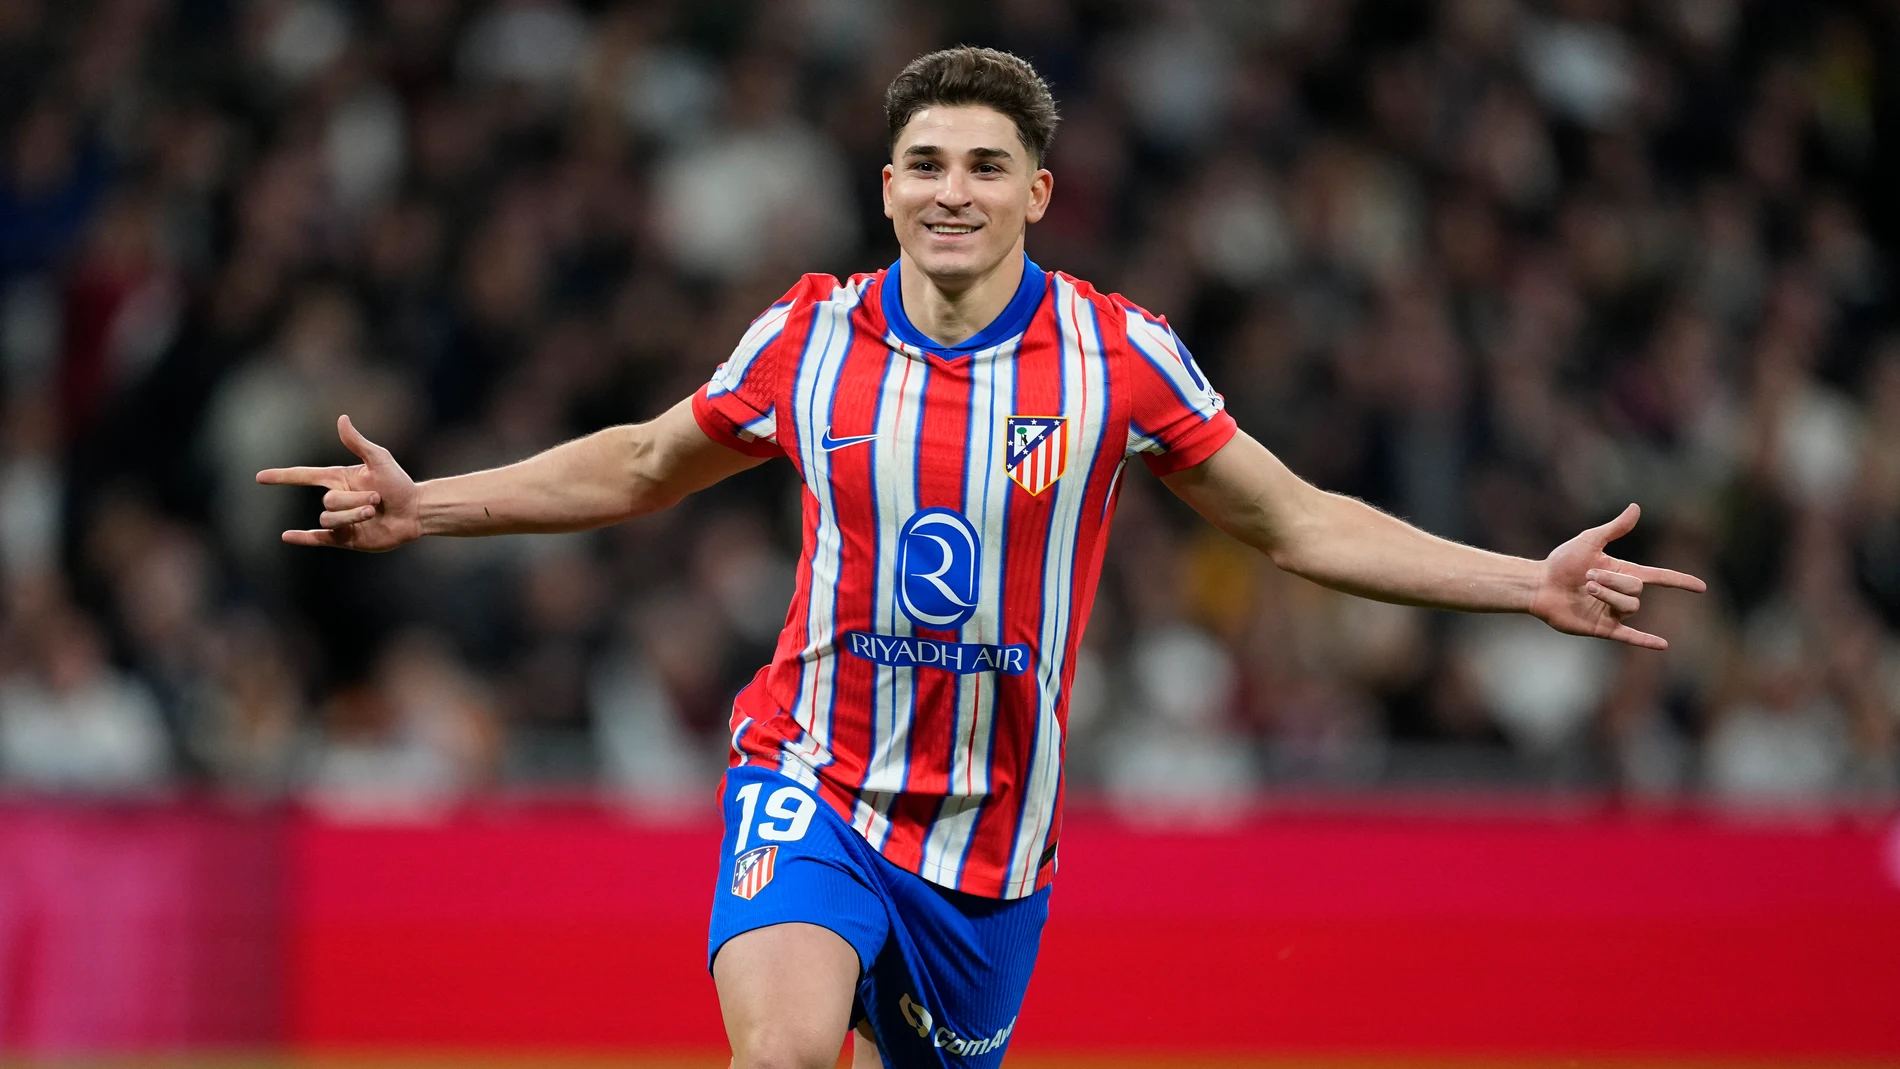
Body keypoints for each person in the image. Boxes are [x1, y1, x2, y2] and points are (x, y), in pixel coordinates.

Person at [258, 47, 1705, 1069]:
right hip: (808, 777)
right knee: (779, 1052)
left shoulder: (1119, 359)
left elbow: (1299, 521)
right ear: (888, 187)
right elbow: (642, 462)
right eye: (929, 164)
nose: (954, 190)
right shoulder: (808, 335)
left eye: (986, 167)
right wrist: (427, 504)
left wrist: (1525, 581)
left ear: (1038, 195)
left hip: (990, 849)